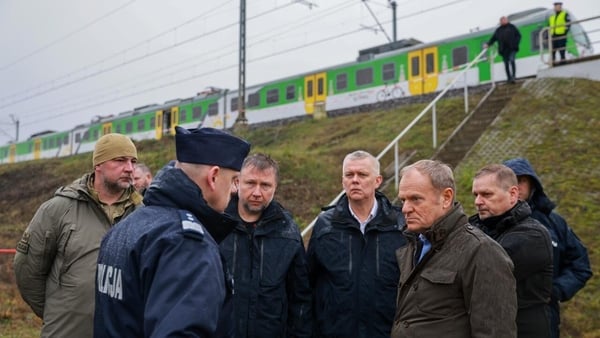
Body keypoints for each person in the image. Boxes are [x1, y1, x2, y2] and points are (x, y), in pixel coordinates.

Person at [93, 126, 250, 337]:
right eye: (234, 180)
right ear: (213, 177)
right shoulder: (188, 245)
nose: (234, 191)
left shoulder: (125, 228)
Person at [13, 133, 142, 338]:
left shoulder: (144, 213)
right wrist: (58, 312)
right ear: (98, 164)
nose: (129, 168)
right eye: (120, 160)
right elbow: (27, 270)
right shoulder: (58, 209)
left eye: (133, 161)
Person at [392, 159, 517, 337]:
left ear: (446, 197)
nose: (405, 208)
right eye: (403, 200)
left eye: (415, 199)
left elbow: (495, 332)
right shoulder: (414, 245)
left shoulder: (482, 251)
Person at [307, 150, 406, 338]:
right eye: (349, 175)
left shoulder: (400, 224)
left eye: (362, 175)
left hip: (387, 331)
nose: (355, 180)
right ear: (342, 180)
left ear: (377, 181)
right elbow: (309, 280)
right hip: (335, 331)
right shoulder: (325, 224)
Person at [219, 153, 312, 338]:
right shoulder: (217, 226)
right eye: (250, 183)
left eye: (265, 185)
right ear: (237, 183)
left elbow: (300, 298)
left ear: (275, 188)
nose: (257, 192)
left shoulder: (288, 232)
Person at [504, 157, 592, 338]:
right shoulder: (487, 223)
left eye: (521, 181)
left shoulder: (554, 222)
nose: (516, 187)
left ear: (532, 184)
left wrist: (556, 290)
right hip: (499, 317)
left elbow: (580, 265)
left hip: (544, 318)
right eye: (511, 181)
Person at [470, 164, 554, 338]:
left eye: (486, 194)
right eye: (476, 195)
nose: (477, 201)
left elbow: (479, 273)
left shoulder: (533, 236)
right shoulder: (475, 229)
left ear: (513, 194)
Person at [484, 16, 522, 83]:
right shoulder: (498, 30)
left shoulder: (512, 27)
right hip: (503, 50)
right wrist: (488, 44)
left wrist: (515, 43)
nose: (503, 21)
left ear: (507, 20)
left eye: (504, 20)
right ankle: (509, 78)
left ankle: (513, 76)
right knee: (506, 64)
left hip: (512, 48)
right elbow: (493, 39)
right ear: (500, 22)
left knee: (512, 60)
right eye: (502, 20)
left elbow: (518, 35)